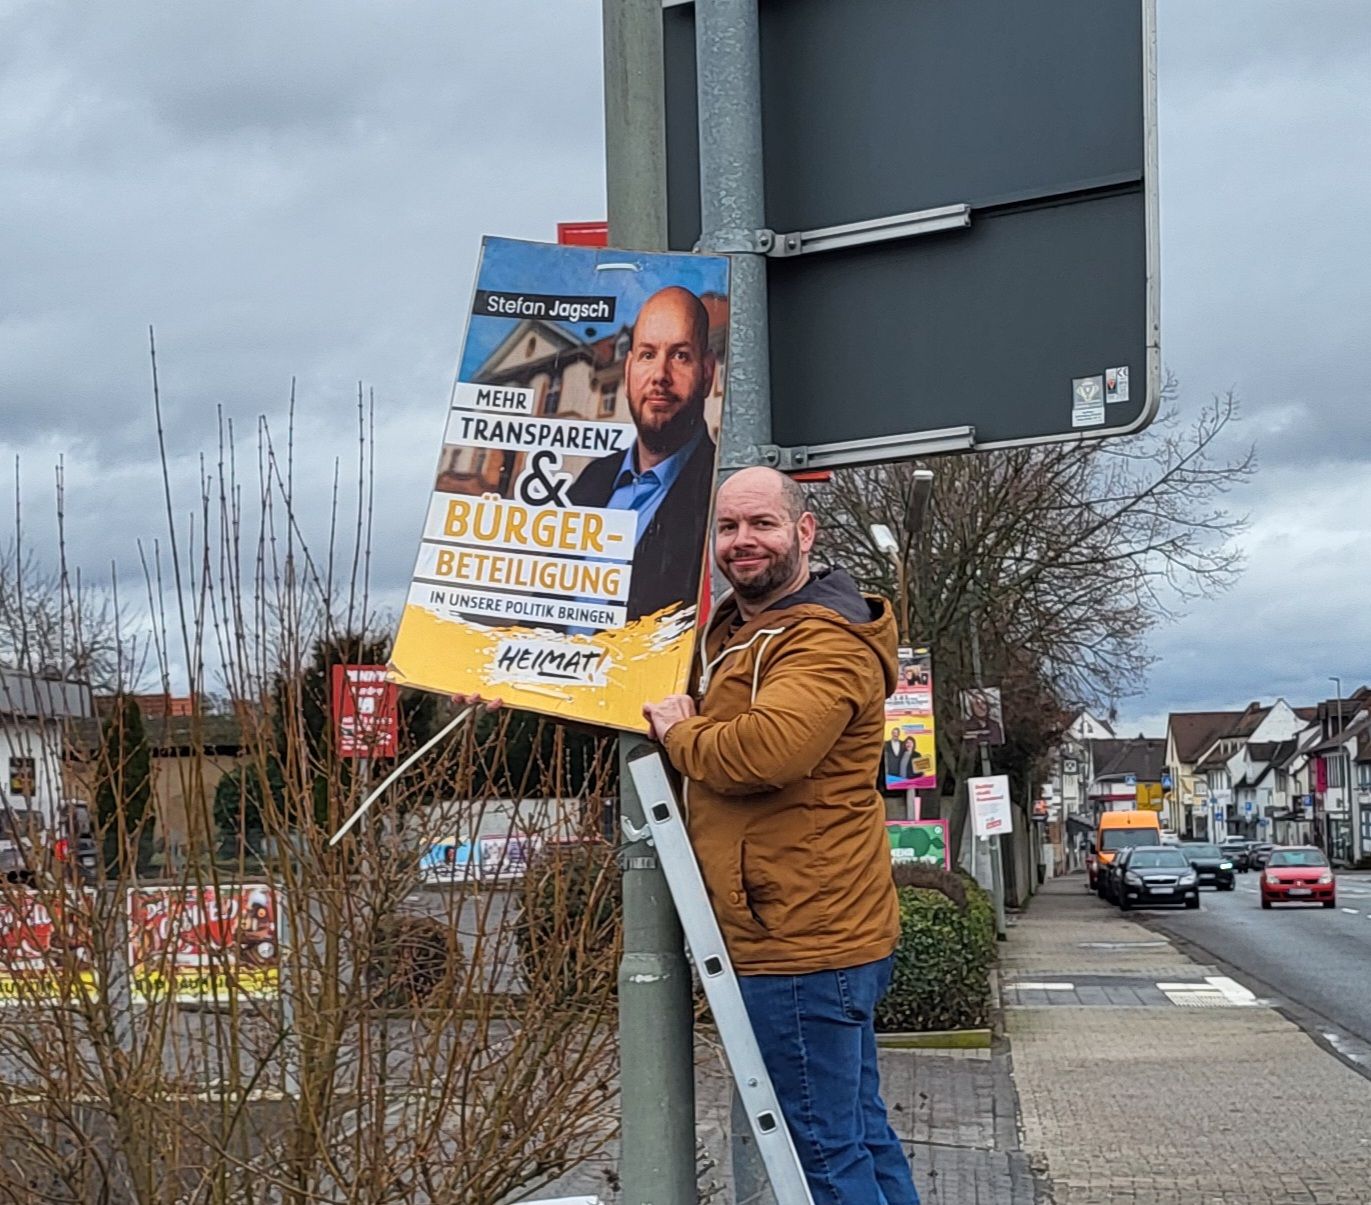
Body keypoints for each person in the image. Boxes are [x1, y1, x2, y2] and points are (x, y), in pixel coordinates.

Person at [643, 465, 920, 1205]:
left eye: (761, 524)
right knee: (855, 1133)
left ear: (804, 532)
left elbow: (765, 751)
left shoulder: (821, 640)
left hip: (797, 939)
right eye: (728, 528)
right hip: (806, 930)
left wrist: (679, 731)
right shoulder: (738, 630)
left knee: (824, 1157)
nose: (742, 542)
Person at [567, 285, 718, 622]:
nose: (660, 376)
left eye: (680, 355)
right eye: (648, 355)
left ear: (707, 373)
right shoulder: (591, 481)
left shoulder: (721, 490)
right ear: (628, 369)